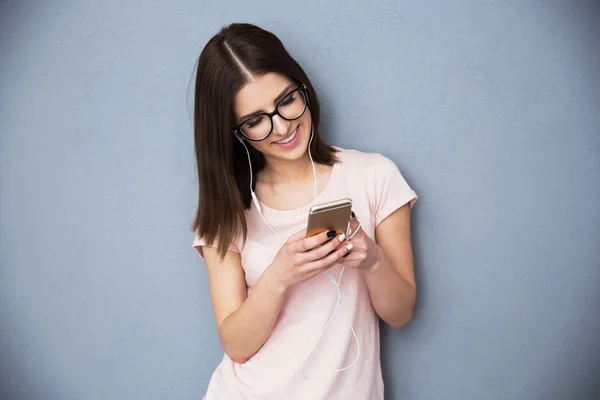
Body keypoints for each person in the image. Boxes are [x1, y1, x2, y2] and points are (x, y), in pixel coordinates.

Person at [191, 22, 418, 400]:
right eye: (255, 121)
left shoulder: (374, 176)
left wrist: (372, 260)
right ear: (235, 132)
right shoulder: (227, 209)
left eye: (286, 101)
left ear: (303, 88)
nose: (282, 127)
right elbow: (237, 345)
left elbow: (401, 314)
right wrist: (279, 275)